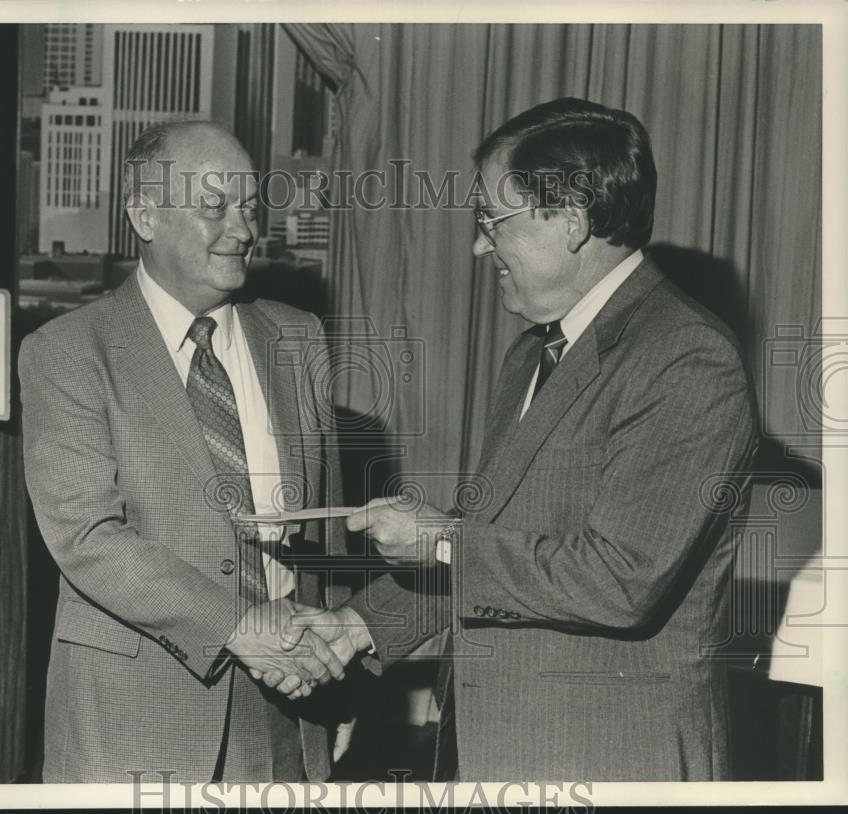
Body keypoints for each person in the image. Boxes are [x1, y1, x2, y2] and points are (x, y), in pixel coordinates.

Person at [283, 97, 759, 781]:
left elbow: (618, 580)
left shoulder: (686, 358)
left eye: (489, 222)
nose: (479, 246)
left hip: (614, 760)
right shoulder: (532, 355)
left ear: (568, 222)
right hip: (505, 752)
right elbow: (496, 545)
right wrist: (357, 627)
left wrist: (442, 537)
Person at [19, 120, 350, 783]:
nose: (244, 229)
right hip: (137, 719)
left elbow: (328, 529)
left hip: (290, 705)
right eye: (215, 207)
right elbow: (88, 536)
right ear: (144, 213)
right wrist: (241, 628)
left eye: (251, 207)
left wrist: (340, 677)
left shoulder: (298, 336)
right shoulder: (67, 352)